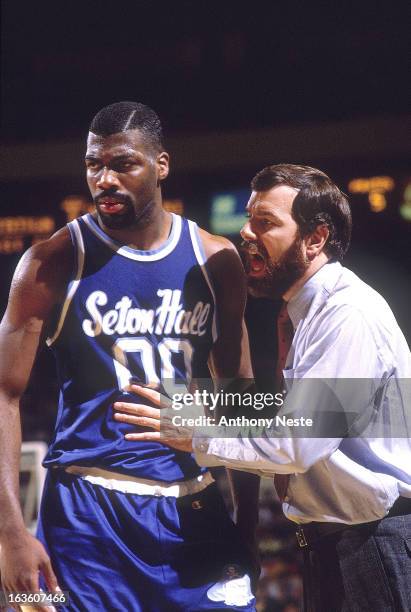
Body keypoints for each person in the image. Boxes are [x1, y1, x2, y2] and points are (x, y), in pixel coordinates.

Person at [115, 164, 411, 611]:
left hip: (376, 541)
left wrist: (196, 433)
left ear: (315, 238)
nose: (247, 234)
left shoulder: (349, 312)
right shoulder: (307, 312)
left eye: (266, 222)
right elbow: (297, 413)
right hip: (340, 542)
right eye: (249, 220)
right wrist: (192, 399)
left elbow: (301, 440)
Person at [0, 101, 259, 612]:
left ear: (161, 165)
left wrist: (246, 525)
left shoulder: (216, 260)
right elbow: (4, 395)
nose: (104, 179)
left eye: (122, 164)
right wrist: (9, 534)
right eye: (94, 165)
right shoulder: (51, 261)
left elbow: (241, 399)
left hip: (195, 505)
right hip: (86, 517)